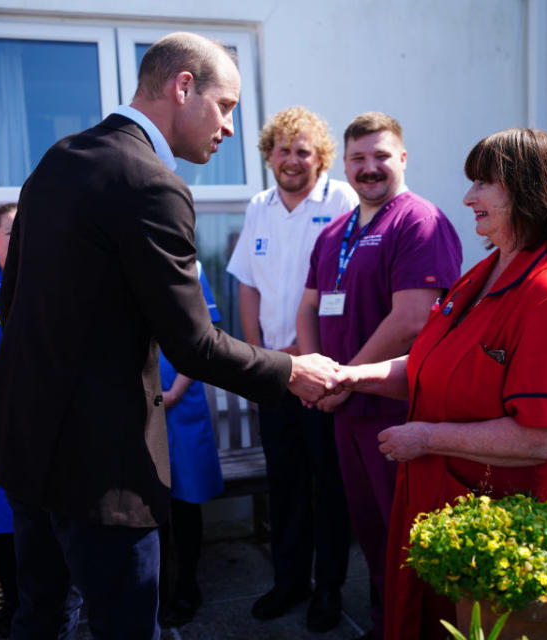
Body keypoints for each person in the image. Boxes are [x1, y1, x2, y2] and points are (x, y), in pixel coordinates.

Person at [0, 32, 341, 640]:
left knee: (40, 618)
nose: (228, 130)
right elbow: (192, 343)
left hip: (25, 439)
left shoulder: (55, 160)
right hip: (100, 464)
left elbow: (14, 305)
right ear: (183, 86)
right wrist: (291, 371)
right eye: (225, 107)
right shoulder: (151, 184)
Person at [338, 129, 547, 639]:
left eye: (485, 183)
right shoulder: (487, 269)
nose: (468, 197)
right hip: (453, 514)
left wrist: (425, 436)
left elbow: (544, 436)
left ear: (533, 191)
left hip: (509, 543)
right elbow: (432, 367)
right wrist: (354, 376)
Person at [296, 112, 462, 640]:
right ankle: (387, 623)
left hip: (398, 410)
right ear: (344, 164)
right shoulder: (335, 233)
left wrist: (342, 379)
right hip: (347, 410)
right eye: (358, 159)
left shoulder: (420, 223)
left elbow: (413, 319)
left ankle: (420, 630)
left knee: (409, 537)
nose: (369, 169)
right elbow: (308, 307)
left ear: (403, 158)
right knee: (371, 535)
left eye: (381, 156)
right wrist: (317, 371)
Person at [226, 106, 355, 631]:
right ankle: (289, 581)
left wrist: (317, 368)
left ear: (320, 157)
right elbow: (247, 285)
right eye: (283, 149)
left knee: (329, 485)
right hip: (277, 373)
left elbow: (340, 289)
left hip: (325, 374)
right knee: (286, 484)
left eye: (303, 150)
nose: (292, 160)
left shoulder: (342, 201)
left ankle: (328, 589)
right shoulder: (259, 206)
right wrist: (260, 361)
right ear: (269, 155)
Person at [157, 260, 223, 628]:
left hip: (181, 402)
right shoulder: (116, 257)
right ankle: (154, 591)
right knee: (147, 503)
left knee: (185, 500)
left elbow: (204, 334)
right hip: (134, 405)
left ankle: (187, 588)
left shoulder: (190, 268)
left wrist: (174, 391)